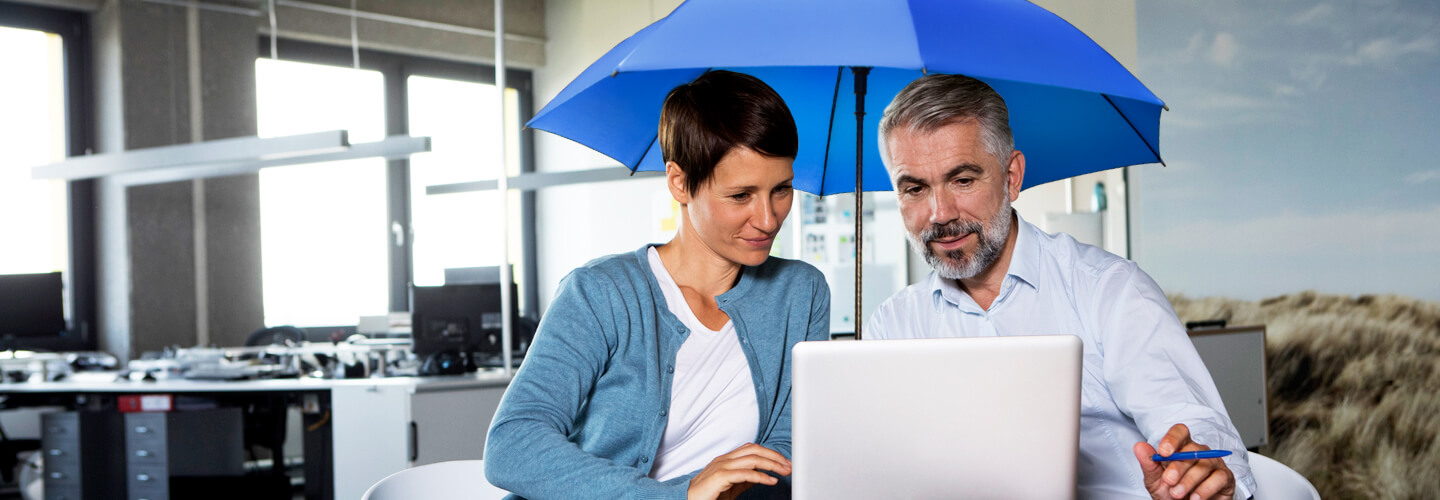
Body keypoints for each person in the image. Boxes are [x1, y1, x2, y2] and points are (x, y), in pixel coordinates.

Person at [864, 73, 1257, 500]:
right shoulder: (892, 326)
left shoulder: (1110, 291)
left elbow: (1188, 421)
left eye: (962, 180)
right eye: (915, 188)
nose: (940, 214)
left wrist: (1197, 472)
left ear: (1012, 177)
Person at [484, 70, 830, 500]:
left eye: (781, 189)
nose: (768, 218)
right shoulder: (600, 293)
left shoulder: (800, 291)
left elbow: (787, 444)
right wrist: (681, 495)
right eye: (741, 196)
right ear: (680, 182)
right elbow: (511, 444)